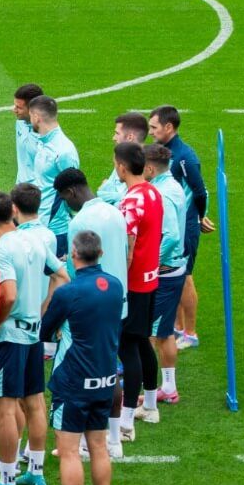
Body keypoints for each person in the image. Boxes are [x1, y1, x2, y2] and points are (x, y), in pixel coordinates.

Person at [35, 230, 121, 485]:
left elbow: (45, 330)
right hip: (106, 379)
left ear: (74, 255)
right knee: (98, 446)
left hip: (73, 382)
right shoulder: (115, 286)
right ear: (100, 254)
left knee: (69, 451)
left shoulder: (68, 293)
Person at [0, 186, 67, 485]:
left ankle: (6, 480)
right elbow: (61, 277)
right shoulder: (33, 239)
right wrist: (43, 309)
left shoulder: (3, 249)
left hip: (10, 336)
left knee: (3, 408)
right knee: (35, 402)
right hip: (33, 332)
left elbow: (9, 295)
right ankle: (36, 472)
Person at [54, 168, 129, 459]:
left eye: (63, 199)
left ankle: (84, 441)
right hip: (118, 302)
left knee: (83, 373)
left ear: (71, 192)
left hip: (88, 307)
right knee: (110, 370)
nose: (65, 205)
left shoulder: (80, 223)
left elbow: (75, 276)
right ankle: (114, 439)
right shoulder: (115, 212)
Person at [149, 105, 213, 350]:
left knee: (184, 276)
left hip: (184, 227)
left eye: (154, 127)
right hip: (172, 224)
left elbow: (200, 190)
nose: (151, 132)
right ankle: (176, 326)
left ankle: (190, 332)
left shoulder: (185, 157)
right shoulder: (164, 153)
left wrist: (198, 217)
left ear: (169, 127)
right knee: (171, 273)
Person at [114, 142, 163, 443]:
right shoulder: (153, 192)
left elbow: (128, 247)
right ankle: (152, 405)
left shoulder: (132, 201)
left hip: (133, 283)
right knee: (142, 341)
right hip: (150, 278)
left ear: (121, 167)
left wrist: (118, 274)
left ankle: (127, 421)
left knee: (127, 347)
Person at [144, 144, 187, 406]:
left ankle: (147, 385)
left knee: (148, 333)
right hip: (173, 270)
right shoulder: (172, 186)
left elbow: (170, 235)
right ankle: (168, 386)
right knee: (164, 331)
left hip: (165, 273)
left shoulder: (162, 194)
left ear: (149, 168)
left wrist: (152, 262)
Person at [27, 95, 80, 255]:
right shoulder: (43, 143)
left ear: (36, 117)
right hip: (39, 224)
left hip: (56, 231)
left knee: (58, 279)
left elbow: (75, 193)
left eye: (30, 116)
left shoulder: (64, 151)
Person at [97, 112, 148, 205]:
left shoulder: (146, 167)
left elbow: (130, 200)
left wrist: (109, 189)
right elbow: (101, 194)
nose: (113, 138)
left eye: (117, 133)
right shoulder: (123, 157)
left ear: (130, 137)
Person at [11, 83, 45, 184]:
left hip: (36, 192)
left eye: (19, 108)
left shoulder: (45, 136)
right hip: (20, 189)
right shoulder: (21, 122)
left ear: (33, 110)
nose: (14, 110)